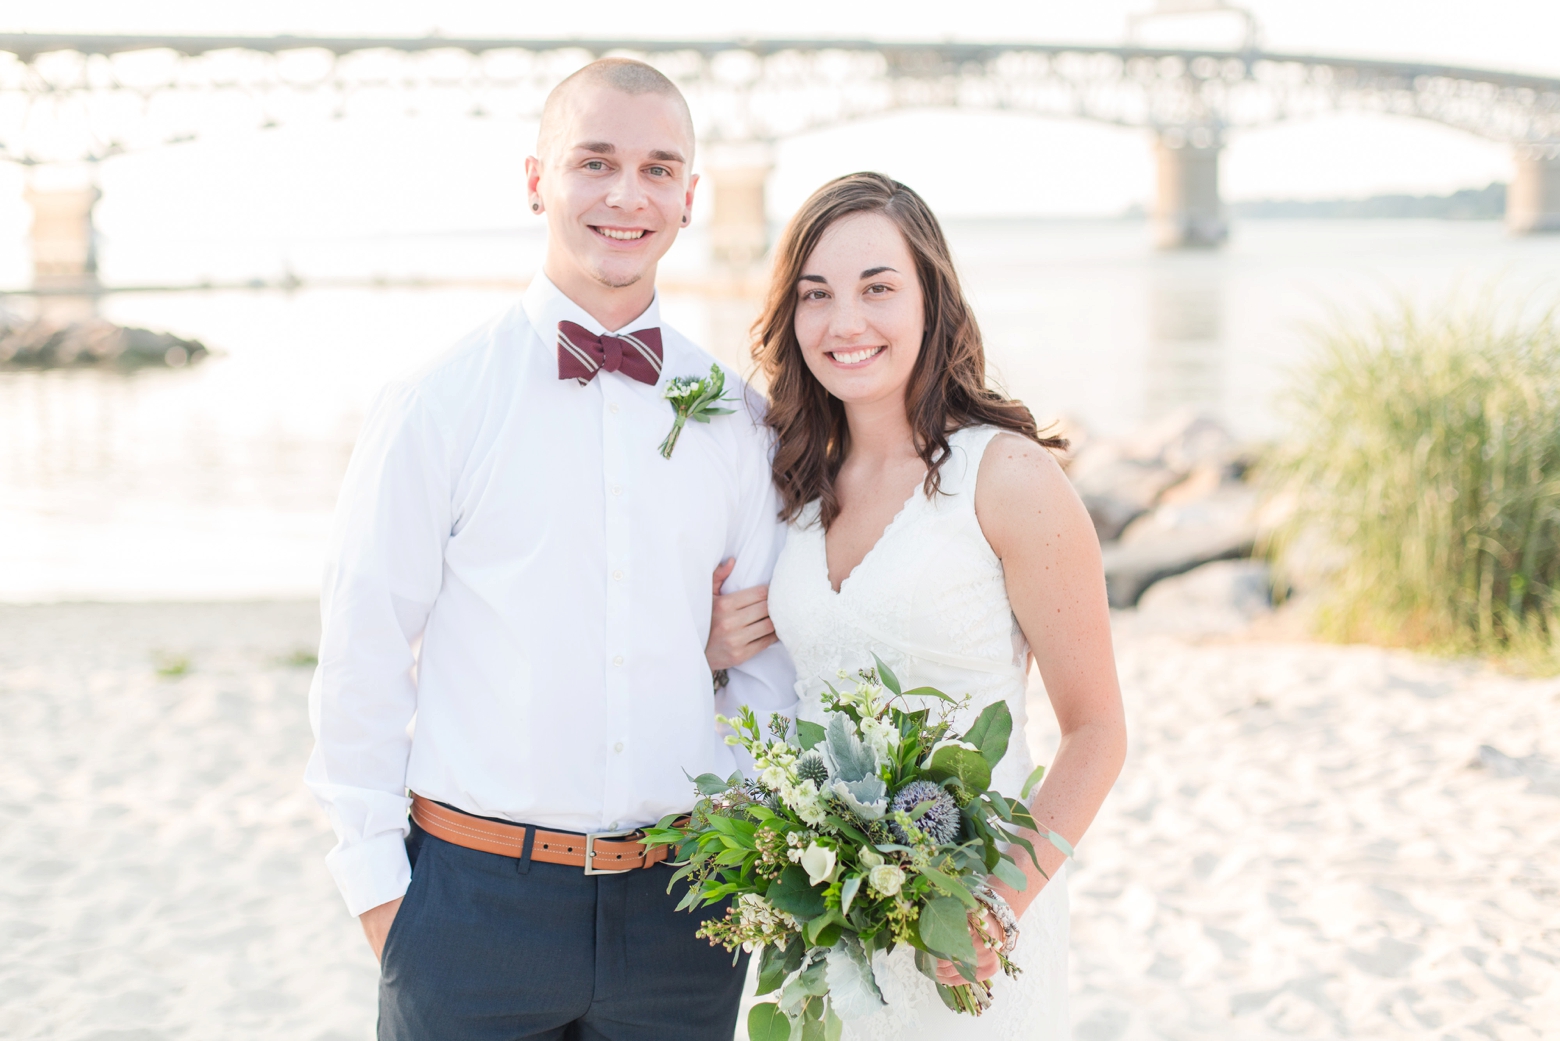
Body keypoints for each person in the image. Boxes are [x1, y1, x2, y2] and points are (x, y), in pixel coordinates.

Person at [304, 58, 792, 1040]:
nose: (626, 195)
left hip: (684, 914)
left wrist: (753, 865)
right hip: (470, 912)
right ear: (537, 180)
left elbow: (764, 673)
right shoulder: (436, 406)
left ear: (691, 197)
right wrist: (382, 901)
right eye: (595, 161)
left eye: (658, 169)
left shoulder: (740, 423)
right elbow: (360, 655)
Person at [717, 172, 1128, 1040]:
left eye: (877, 289)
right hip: (819, 928)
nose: (845, 322)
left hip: (967, 927)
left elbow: (1096, 729)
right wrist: (713, 649)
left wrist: (998, 901)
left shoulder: (1007, 476)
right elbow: (777, 690)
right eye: (816, 295)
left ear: (931, 300)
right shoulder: (787, 486)